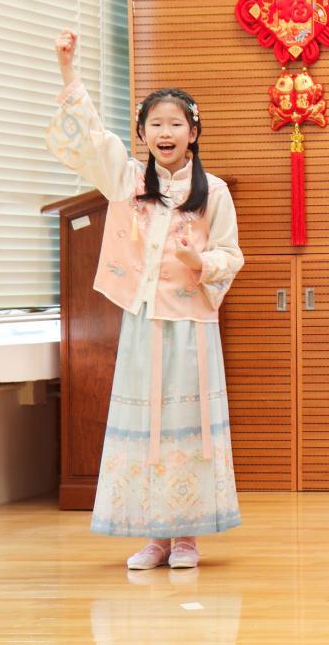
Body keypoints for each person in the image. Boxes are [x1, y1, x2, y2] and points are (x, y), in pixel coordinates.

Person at [46, 29, 244, 570]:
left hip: (192, 327)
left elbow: (231, 254)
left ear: (193, 132)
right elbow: (90, 139)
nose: (165, 132)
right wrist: (68, 68)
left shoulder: (214, 191)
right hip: (143, 323)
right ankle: (154, 537)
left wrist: (201, 263)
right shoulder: (128, 181)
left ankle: (187, 537)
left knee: (188, 427)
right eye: (154, 124)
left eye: (175, 124)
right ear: (142, 133)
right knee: (146, 429)